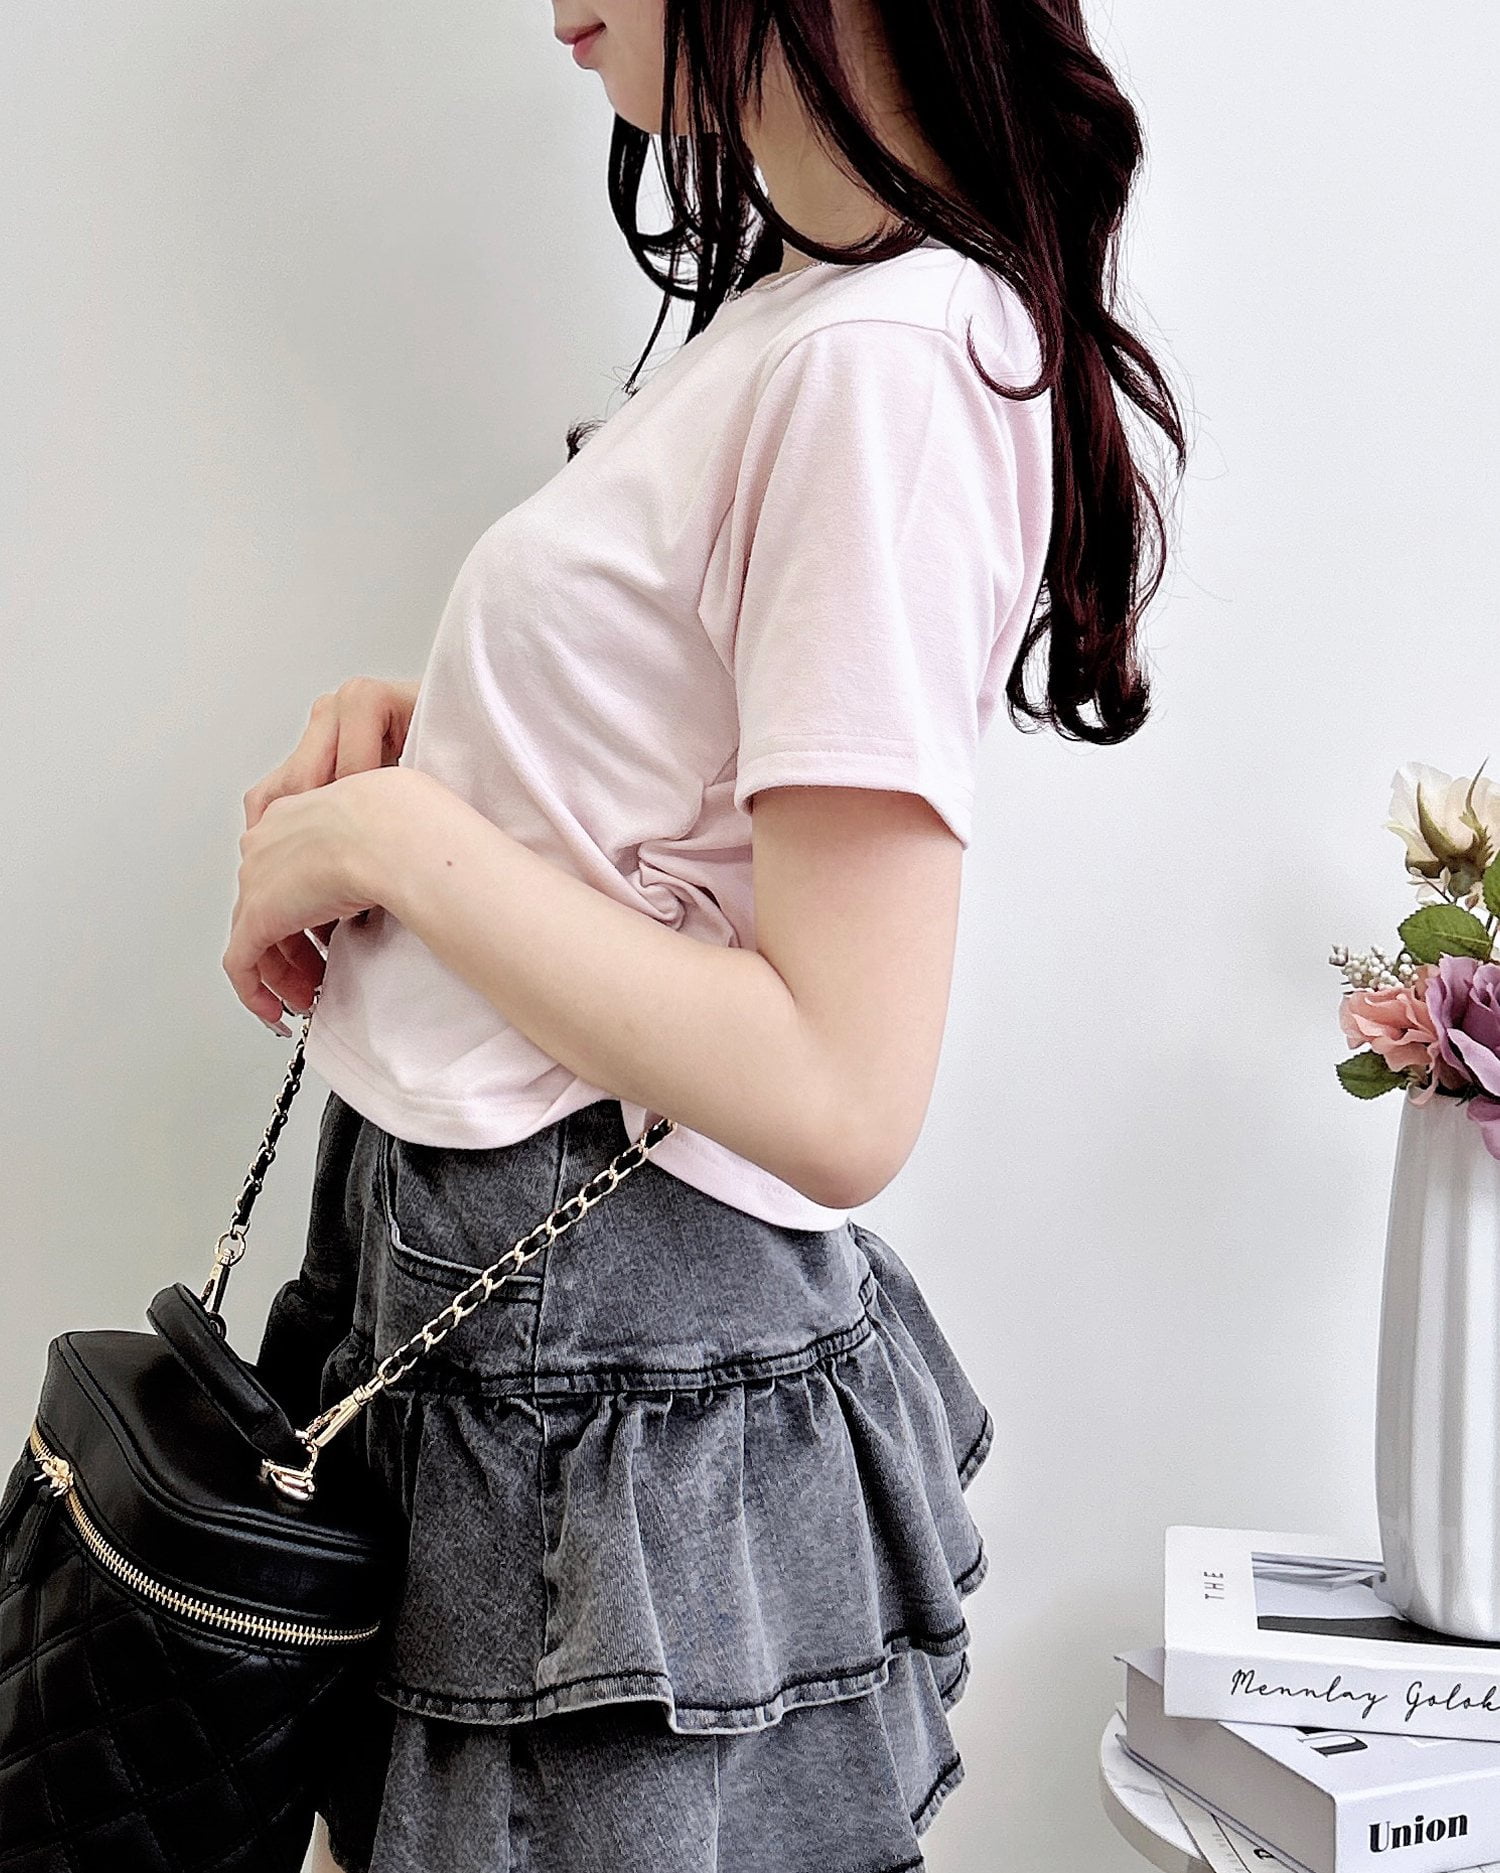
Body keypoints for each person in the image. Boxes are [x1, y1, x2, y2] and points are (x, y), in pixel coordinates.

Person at [225, 0, 1186, 1864]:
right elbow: (690, 811)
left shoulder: (887, 362)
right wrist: (449, 754)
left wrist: (413, 845)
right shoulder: (801, 319)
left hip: (598, 1345)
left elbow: (841, 1082)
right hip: (518, 1326)